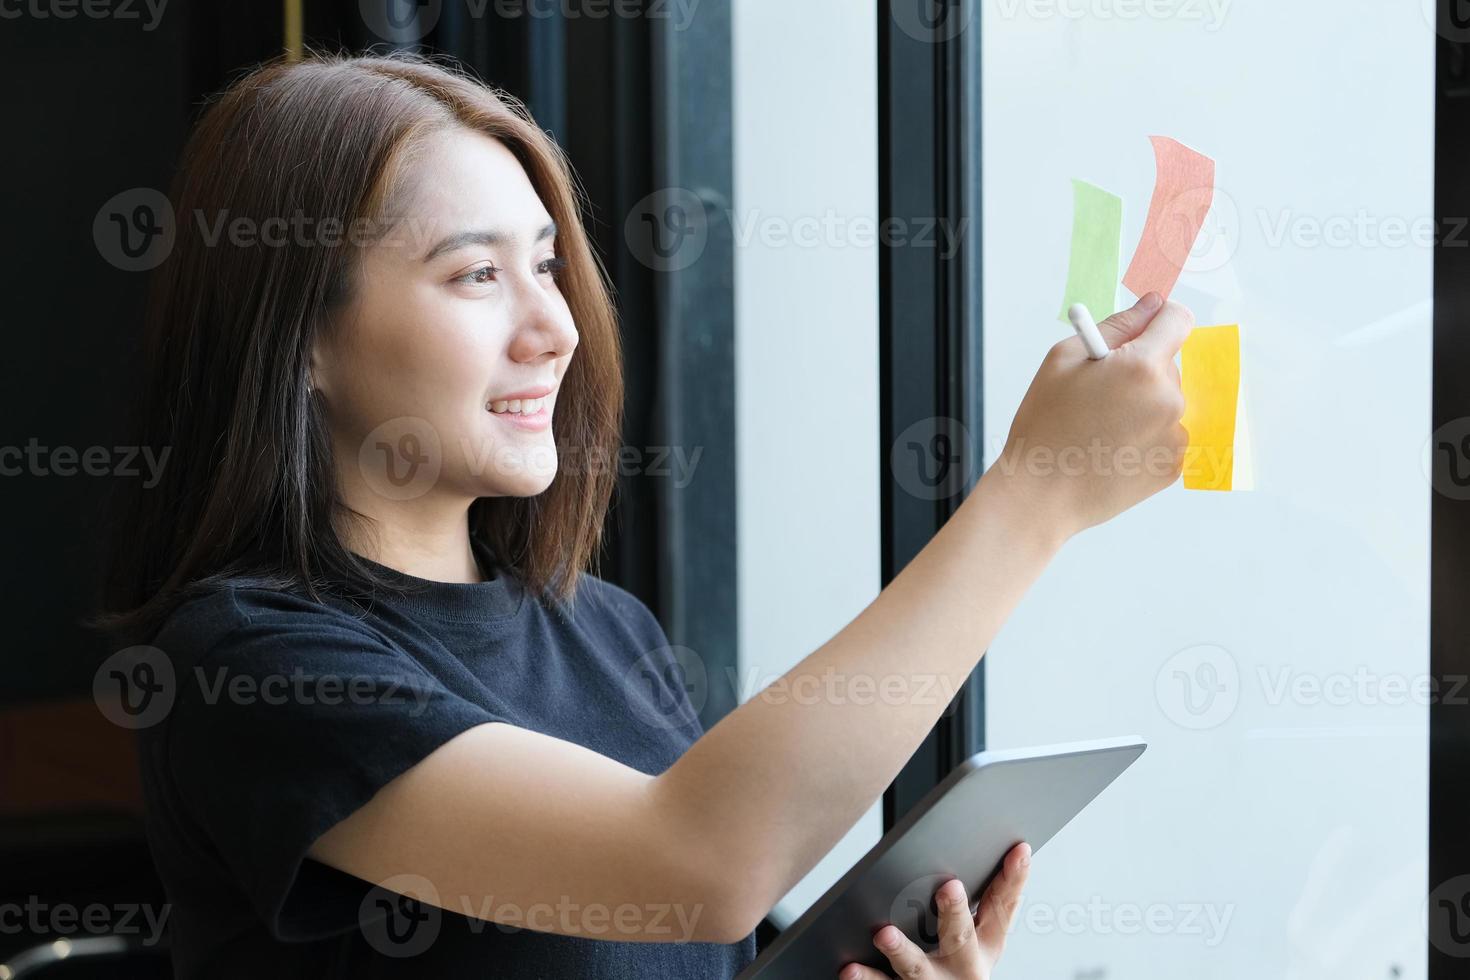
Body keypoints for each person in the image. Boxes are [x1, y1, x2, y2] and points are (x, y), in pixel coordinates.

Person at [93, 52, 1191, 980]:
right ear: (303, 342)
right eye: (477, 274)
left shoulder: (603, 629)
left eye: (548, 265)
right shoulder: (258, 664)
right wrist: (1033, 495)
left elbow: (705, 921)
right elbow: (703, 864)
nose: (554, 328)